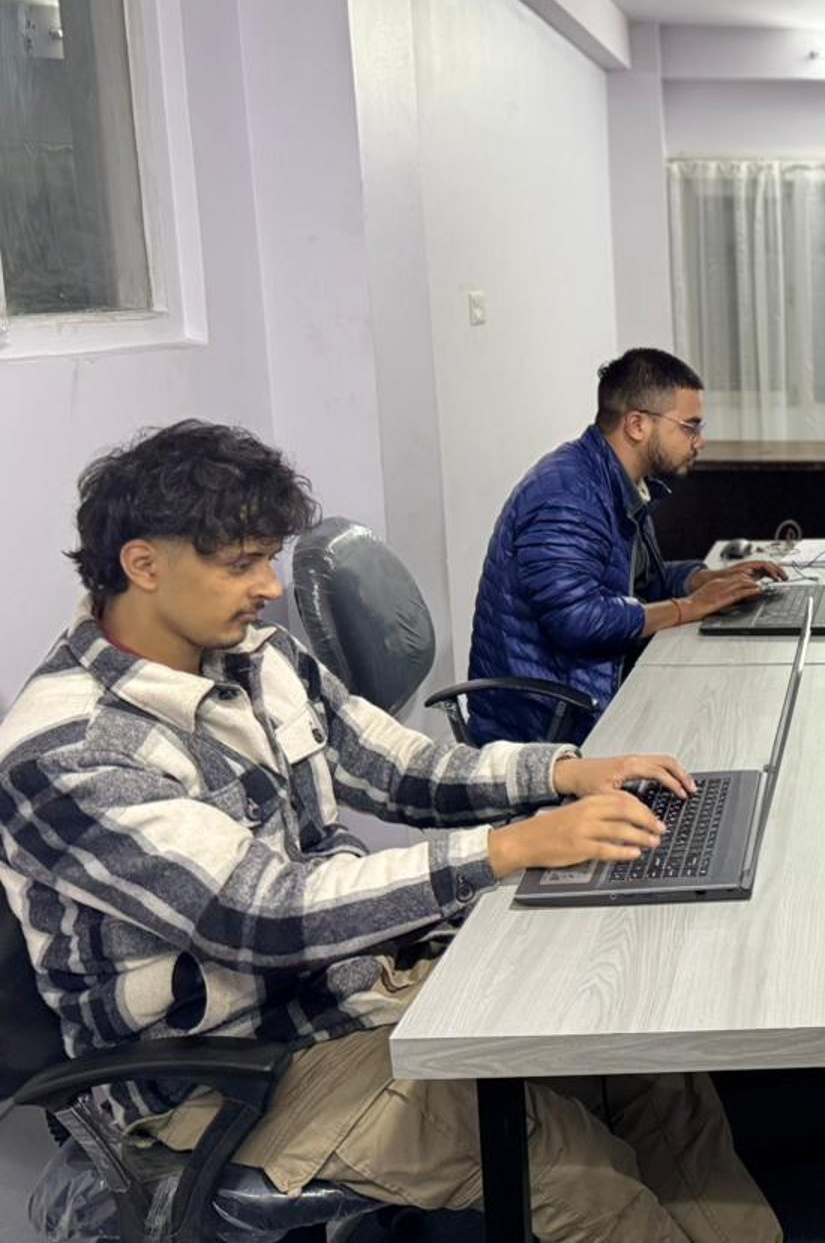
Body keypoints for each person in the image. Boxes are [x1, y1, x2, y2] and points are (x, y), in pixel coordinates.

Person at [0, 420, 781, 1242]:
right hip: (221, 1084)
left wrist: (563, 773)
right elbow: (262, 913)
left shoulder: (256, 657)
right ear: (144, 564)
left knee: (639, 1060)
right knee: (564, 1167)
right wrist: (508, 849)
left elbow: (397, 766)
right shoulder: (71, 750)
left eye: (270, 558)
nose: (270, 586)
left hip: (350, 993)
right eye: (242, 564)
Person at [468, 347, 783, 745]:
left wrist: (702, 581)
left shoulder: (615, 479)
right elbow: (578, 619)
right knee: (723, 725)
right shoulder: (567, 496)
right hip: (552, 720)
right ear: (637, 425)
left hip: (593, 685)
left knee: (736, 703)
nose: (699, 441)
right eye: (690, 427)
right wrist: (688, 608)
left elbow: (636, 585)